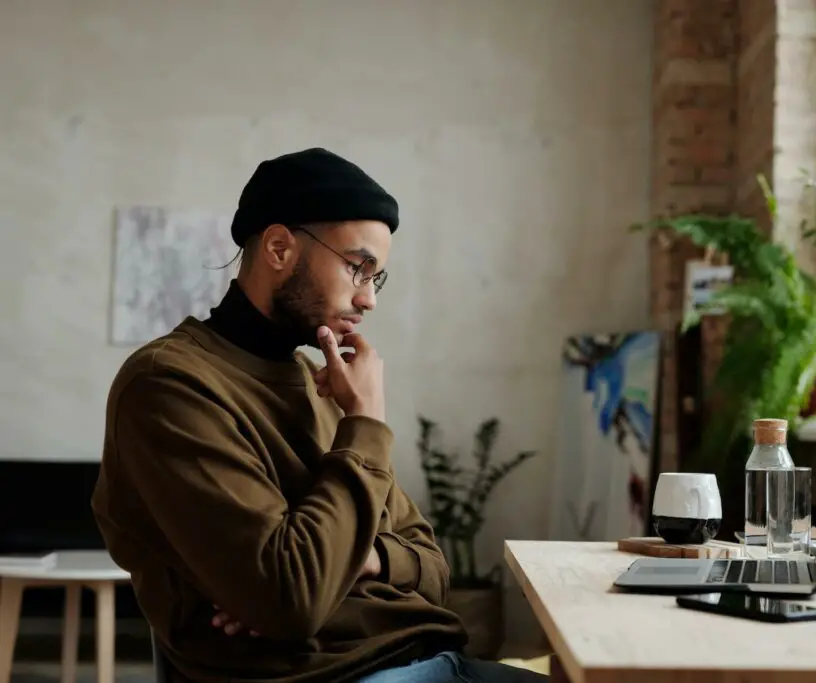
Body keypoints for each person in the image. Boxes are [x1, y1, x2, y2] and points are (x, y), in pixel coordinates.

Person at [91, 148, 548, 683]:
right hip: (338, 675)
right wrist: (366, 425)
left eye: (377, 278)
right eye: (359, 268)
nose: (369, 299)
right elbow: (291, 597)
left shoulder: (323, 384)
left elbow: (433, 566)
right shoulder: (169, 384)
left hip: (429, 658)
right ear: (280, 247)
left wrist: (358, 559)